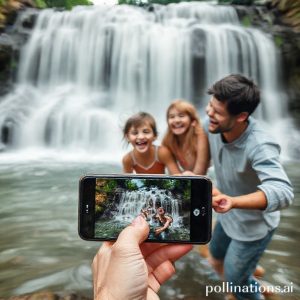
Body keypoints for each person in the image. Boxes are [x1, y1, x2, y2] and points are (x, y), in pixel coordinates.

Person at [205, 74, 294, 299]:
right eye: (209, 105)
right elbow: (203, 158)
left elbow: (283, 192)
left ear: (241, 117)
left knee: (236, 282)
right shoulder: (214, 126)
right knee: (214, 257)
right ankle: (251, 282)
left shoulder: (260, 144)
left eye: (217, 112)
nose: (208, 114)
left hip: (254, 227)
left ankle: (247, 288)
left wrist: (234, 201)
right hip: (227, 214)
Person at [92, 215, 192, 300]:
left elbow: (166, 225)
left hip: (165, 232)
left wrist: (105, 296)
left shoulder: (167, 218)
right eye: (159, 210)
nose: (160, 211)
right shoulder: (157, 216)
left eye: (162, 210)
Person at [162, 99, 210, 175]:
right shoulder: (168, 142)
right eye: (172, 117)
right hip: (189, 180)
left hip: (207, 180)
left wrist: (185, 177)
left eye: (181, 116)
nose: (176, 120)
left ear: (193, 121)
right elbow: (174, 174)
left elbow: (200, 172)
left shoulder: (200, 136)